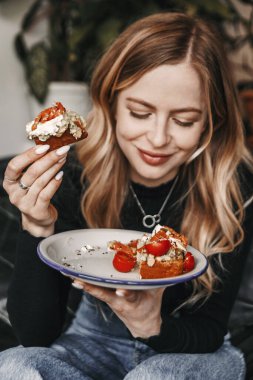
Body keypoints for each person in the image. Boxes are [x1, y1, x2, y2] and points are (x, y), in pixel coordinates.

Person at [1, 12, 253, 380]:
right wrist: (36, 226)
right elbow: (35, 334)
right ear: (111, 102)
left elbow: (209, 330)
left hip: (192, 350)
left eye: (184, 121)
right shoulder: (75, 174)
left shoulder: (233, 184)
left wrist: (151, 323)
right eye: (140, 113)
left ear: (210, 122)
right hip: (91, 343)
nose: (157, 138)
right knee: (13, 367)